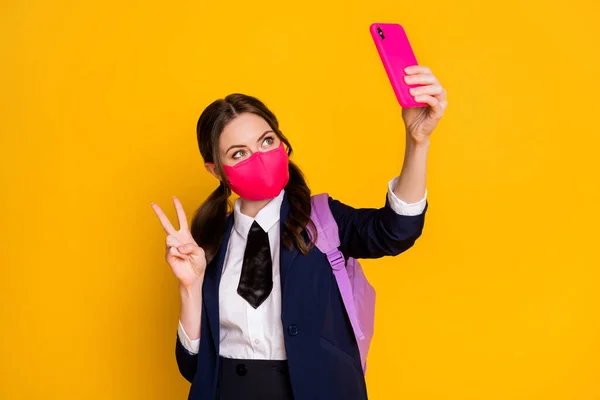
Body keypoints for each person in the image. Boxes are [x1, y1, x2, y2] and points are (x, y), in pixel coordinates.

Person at [151, 65, 447, 400]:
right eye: (239, 153)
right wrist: (189, 287)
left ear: (282, 144)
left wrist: (417, 141)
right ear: (215, 169)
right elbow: (192, 367)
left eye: (266, 141)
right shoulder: (208, 241)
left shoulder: (323, 221)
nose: (259, 157)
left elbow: (397, 230)